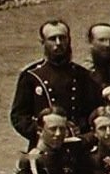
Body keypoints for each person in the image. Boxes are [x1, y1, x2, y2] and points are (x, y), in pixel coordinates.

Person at [10, 19, 100, 147]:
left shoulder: (82, 75)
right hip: (44, 144)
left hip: (78, 142)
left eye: (62, 38)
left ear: (69, 40)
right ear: (43, 42)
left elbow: (95, 110)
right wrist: (42, 132)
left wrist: (82, 128)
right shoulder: (31, 76)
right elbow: (19, 116)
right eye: (52, 39)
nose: (58, 43)